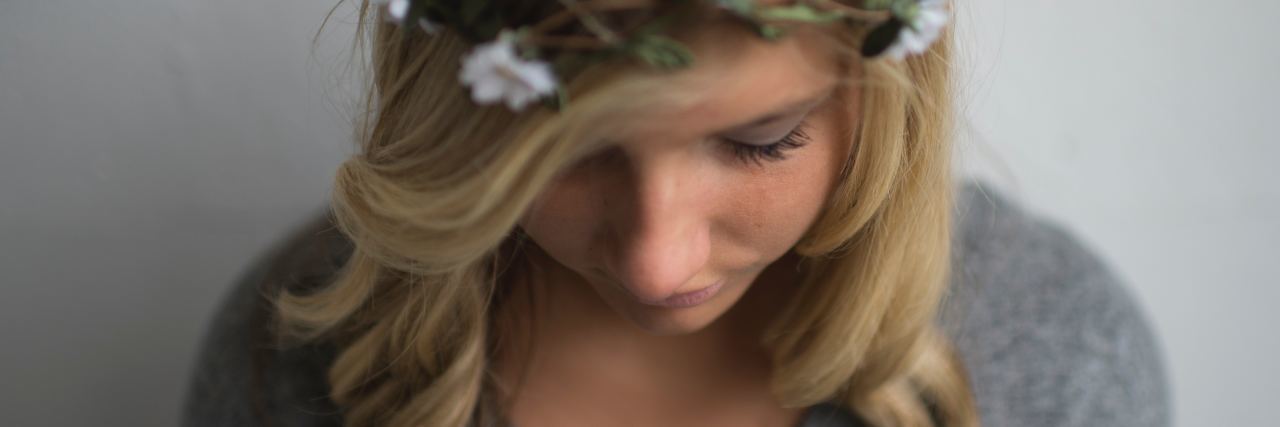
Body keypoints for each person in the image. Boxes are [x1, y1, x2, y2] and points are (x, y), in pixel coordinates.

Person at [182, 1, 1170, 426]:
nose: (658, 262)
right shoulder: (303, 354)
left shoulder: (1046, 359)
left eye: (758, 140)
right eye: (567, 152)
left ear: (878, 89)